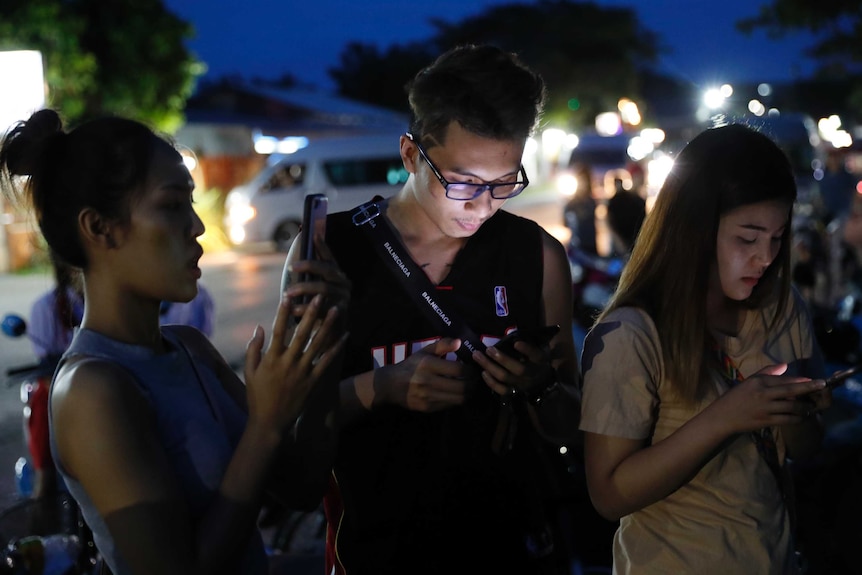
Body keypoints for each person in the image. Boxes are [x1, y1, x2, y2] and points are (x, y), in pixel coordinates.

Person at [0, 108, 350, 575]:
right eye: (171, 206)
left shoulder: (190, 348)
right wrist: (265, 424)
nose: (197, 227)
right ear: (99, 228)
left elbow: (302, 487)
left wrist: (324, 342)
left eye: (190, 203)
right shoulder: (92, 389)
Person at [284, 44, 583, 575]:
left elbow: (572, 425)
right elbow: (289, 419)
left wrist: (538, 385)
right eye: (463, 182)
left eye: (504, 183)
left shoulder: (537, 256)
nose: (482, 205)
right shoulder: (334, 250)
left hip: (512, 549)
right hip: (373, 549)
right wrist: (382, 387)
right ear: (410, 155)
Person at [579, 123, 832, 574]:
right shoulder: (631, 335)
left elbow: (804, 450)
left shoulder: (779, 307)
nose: (765, 257)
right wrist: (725, 417)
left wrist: (798, 411)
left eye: (777, 239)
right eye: (747, 238)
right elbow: (608, 494)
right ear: (693, 229)